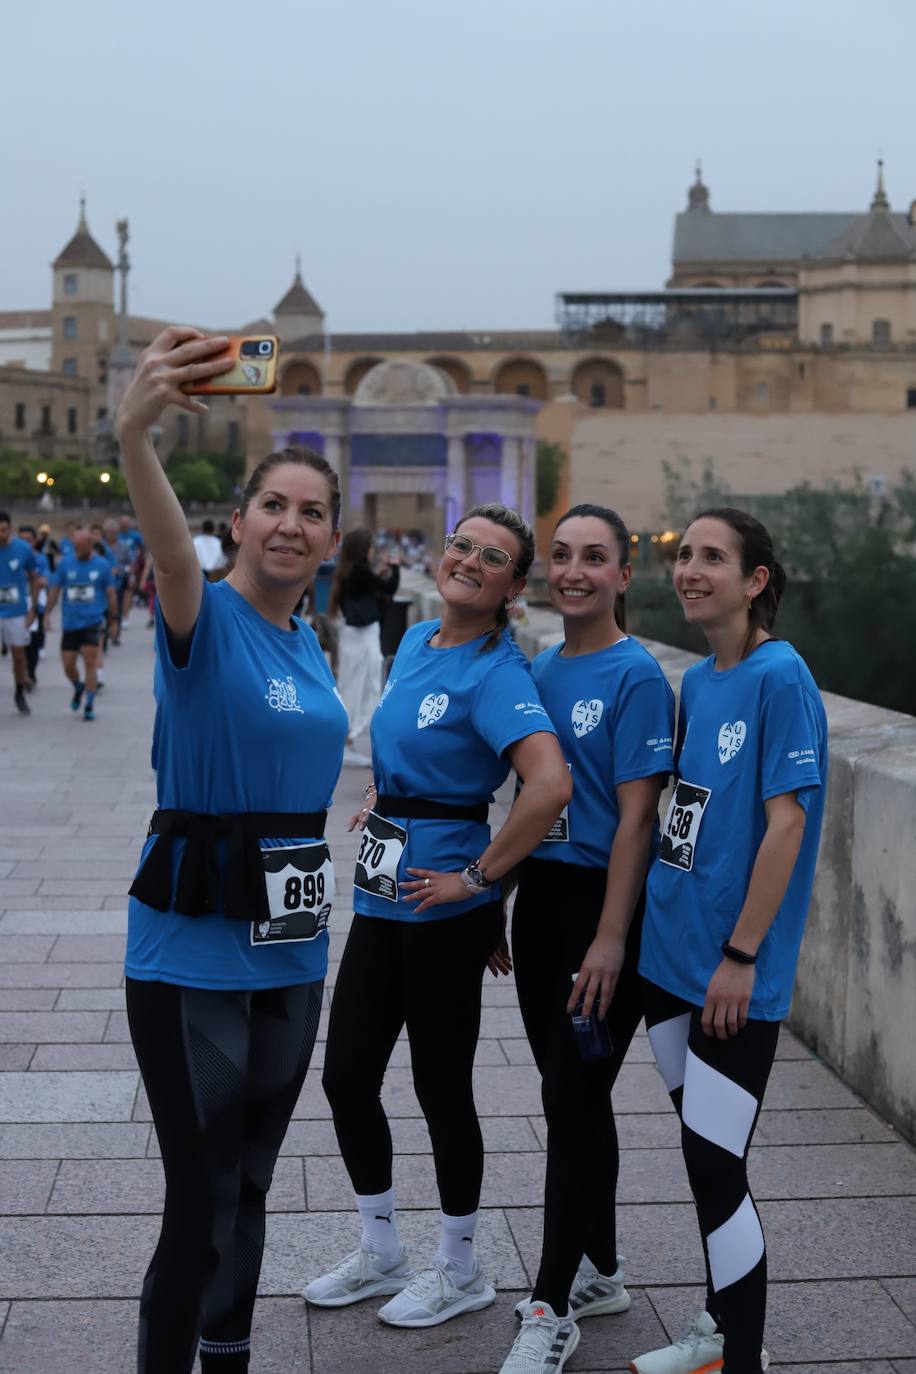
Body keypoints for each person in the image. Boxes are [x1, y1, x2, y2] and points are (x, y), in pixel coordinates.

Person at [116, 325, 347, 1374]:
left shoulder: (309, 641)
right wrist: (135, 433)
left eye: (311, 512)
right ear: (240, 522)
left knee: (252, 1183)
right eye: (273, 505)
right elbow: (166, 548)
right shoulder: (200, 617)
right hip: (194, 950)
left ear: (333, 537)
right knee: (200, 1194)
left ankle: (230, 1359)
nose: (289, 524)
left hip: (293, 948)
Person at [303, 503, 572, 1329]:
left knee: (439, 1087)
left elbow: (550, 784)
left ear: (513, 588)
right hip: (384, 896)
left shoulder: (500, 673)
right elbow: (407, 738)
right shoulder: (419, 640)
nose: (468, 561)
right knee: (346, 1075)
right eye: (462, 545)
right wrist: (389, 792)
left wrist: (480, 880)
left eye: (492, 558)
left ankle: (461, 1265)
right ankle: (381, 1247)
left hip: (444, 913)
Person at [631, 508, 828, 1374]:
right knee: (702, 1152)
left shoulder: (781, 678)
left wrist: (742, 957)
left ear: (755, 582)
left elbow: (787, 825)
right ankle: (716, 1334)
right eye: (686, 556)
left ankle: (740, 1358)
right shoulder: (701, 681)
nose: (691, 571)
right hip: (666, 958)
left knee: (717, 1165)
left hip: (728, 971)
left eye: (715, 558)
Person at [497, 505, 675, 1374]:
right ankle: (601, 1271)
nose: (573, 570)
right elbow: (525, 797)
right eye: (561, 555)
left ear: (622, 574)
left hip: (608, 915)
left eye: (593, 558)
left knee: (572, 1099)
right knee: (571, 1096)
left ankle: (549, 1301)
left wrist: (611, 939)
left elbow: (638, 819)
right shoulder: (537, 667)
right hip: (543, 906)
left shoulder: (639, 676)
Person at [330, 527, 400, 762]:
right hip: (363, 636)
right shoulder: (359, 571)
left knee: (352, 684)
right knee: (366, 685)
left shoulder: (348, 571)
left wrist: (379, 576)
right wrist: (396, 567)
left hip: (353, 635)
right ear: (363, 550)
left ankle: (345, 739)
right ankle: (347, 738)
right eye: (369, 548)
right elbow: (390, 589)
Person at [46, 528, 118, 721]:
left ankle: (89, 703)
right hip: (70, 623)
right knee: (68, 665)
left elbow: (111, 594)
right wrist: (47, 614)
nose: (77, 551)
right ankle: (79, 687)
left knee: (90, 662)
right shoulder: (65, 564)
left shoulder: (102, 565)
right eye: (74, 548)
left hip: (92, 622)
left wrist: (113, 620)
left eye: (80, 548)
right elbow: (54, 589)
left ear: (89, 545)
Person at [0, 510, 40, 715]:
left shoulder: (23, 549)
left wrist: (33, 608)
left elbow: (34, 578)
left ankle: (19, 691)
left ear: (10, 528)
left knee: (18, 655)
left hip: (16, 611)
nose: (1, 535)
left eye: (4, 530)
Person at [17, 525, 50, 689]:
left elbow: (45, 578)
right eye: (21, 540)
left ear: (35, 541)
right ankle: (22, 674)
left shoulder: (41, 558)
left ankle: (31, 672)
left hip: (36, 602)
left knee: (34, 642)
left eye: (28, 540)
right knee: (19, 643)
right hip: (16, 604)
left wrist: (37, 580)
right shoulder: (10, 557)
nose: (25, 544)